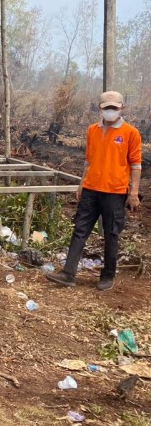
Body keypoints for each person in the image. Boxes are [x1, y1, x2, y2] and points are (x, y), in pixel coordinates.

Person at [47, 91, 142, 291]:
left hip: (115, 192)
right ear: (100, 107)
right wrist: (82, 184)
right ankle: (68, 273)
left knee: (111, 234)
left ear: (121, 108)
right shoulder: (92, 130)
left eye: (114, 108)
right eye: (106, 107)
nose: (110, 111)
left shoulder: (130, 133)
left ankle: (107, 275)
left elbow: (135, 165)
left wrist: (133, 193)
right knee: (80, 230)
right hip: (91, 189)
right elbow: (88, 161)